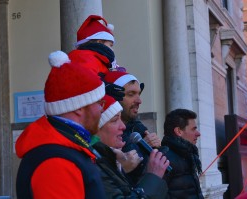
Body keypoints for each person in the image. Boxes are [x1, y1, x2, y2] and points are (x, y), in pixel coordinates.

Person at [15, 50, 106, 199]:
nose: (102, 109)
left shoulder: (66, 148)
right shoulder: (56, 161)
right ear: (78, 107)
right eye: (99, 103)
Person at [92, 95, 169, 198]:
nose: (123, 126)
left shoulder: (110, 160)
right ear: (96, 128)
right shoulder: (94, 164)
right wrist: (152, 177)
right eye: (115, 120)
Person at [103, 71, 162, 184]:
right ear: (113, 96)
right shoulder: (102, 135)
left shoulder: (138, 129)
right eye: (131, 94)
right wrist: (140, 148)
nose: (139, 101)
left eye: (139, 94)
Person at [69, 15, 125, 101]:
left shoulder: (102, 61)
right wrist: (104, 86)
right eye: (110, 45)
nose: (112, 49)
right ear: (100, 42)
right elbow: (84, 81)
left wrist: (129, 88)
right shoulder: (82, 56)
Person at [161, 108, 203, 199]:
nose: (198, 133)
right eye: (193, 129)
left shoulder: (188, 155)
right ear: (179, 131)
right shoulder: (164, 159)